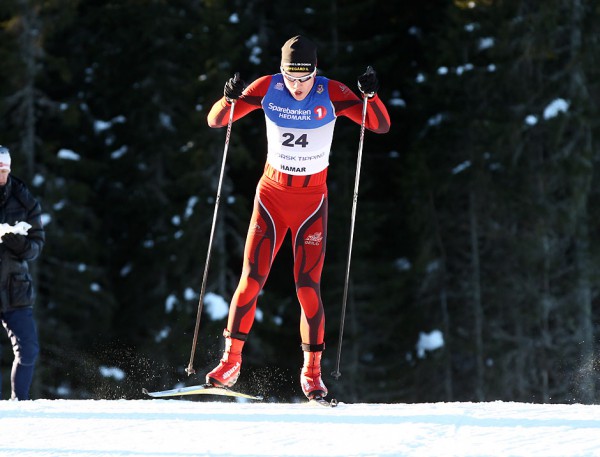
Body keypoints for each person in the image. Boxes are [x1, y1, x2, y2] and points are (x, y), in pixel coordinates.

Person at [205, 35, 390, 400]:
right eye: (291, 78)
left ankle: (312, 373)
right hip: (271, 196)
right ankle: (230, 362)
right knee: (252, 279)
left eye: (305, 79)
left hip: (311, 202)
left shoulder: (332, 92)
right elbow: (216, 121)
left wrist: (371, 96)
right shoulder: (267, 88)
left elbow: (379, 125)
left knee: (307, 287)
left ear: (315, 72)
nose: (298, 86)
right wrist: (228, 97)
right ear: (282, 72)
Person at [0, 145, 45, 400]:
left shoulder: (24, 199)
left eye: (3, 170)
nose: (0, 175)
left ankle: (20, 404)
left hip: (15, 288)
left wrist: (20, 245)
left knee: (28, 350)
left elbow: (37, 246)